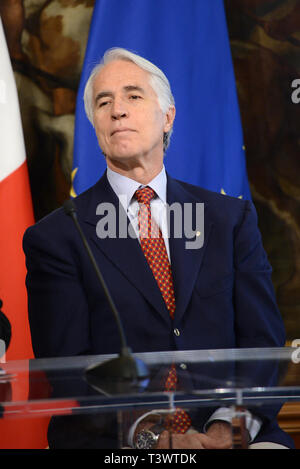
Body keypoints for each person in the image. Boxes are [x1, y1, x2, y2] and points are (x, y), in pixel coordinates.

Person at [23, 48, 293, 449]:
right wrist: (149, 435)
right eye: (103, 101)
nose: (117, 110)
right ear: (95, 124)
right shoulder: (57, 237)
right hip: (117, 441)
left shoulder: (229, 220)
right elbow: (68, 369)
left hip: (232, 434)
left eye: (133, 96)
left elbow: (262, 344)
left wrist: (224, 430)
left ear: (167, 117)